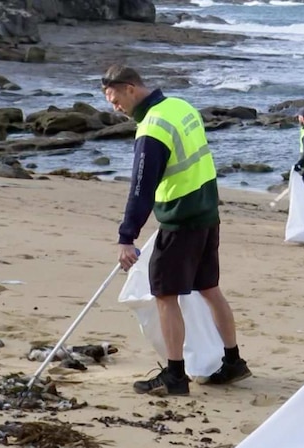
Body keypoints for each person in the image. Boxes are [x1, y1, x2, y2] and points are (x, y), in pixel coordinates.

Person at [101, 64, 252, 396]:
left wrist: (127, 236)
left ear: (130, 88)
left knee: (165, 296)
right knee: (209, 287)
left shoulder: (151, 128)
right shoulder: (181, 106)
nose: (115, 107)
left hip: (180, 221)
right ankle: (233, 361)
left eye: (114, 100)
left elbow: (141, 188)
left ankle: (175, 375)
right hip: (207, 213)